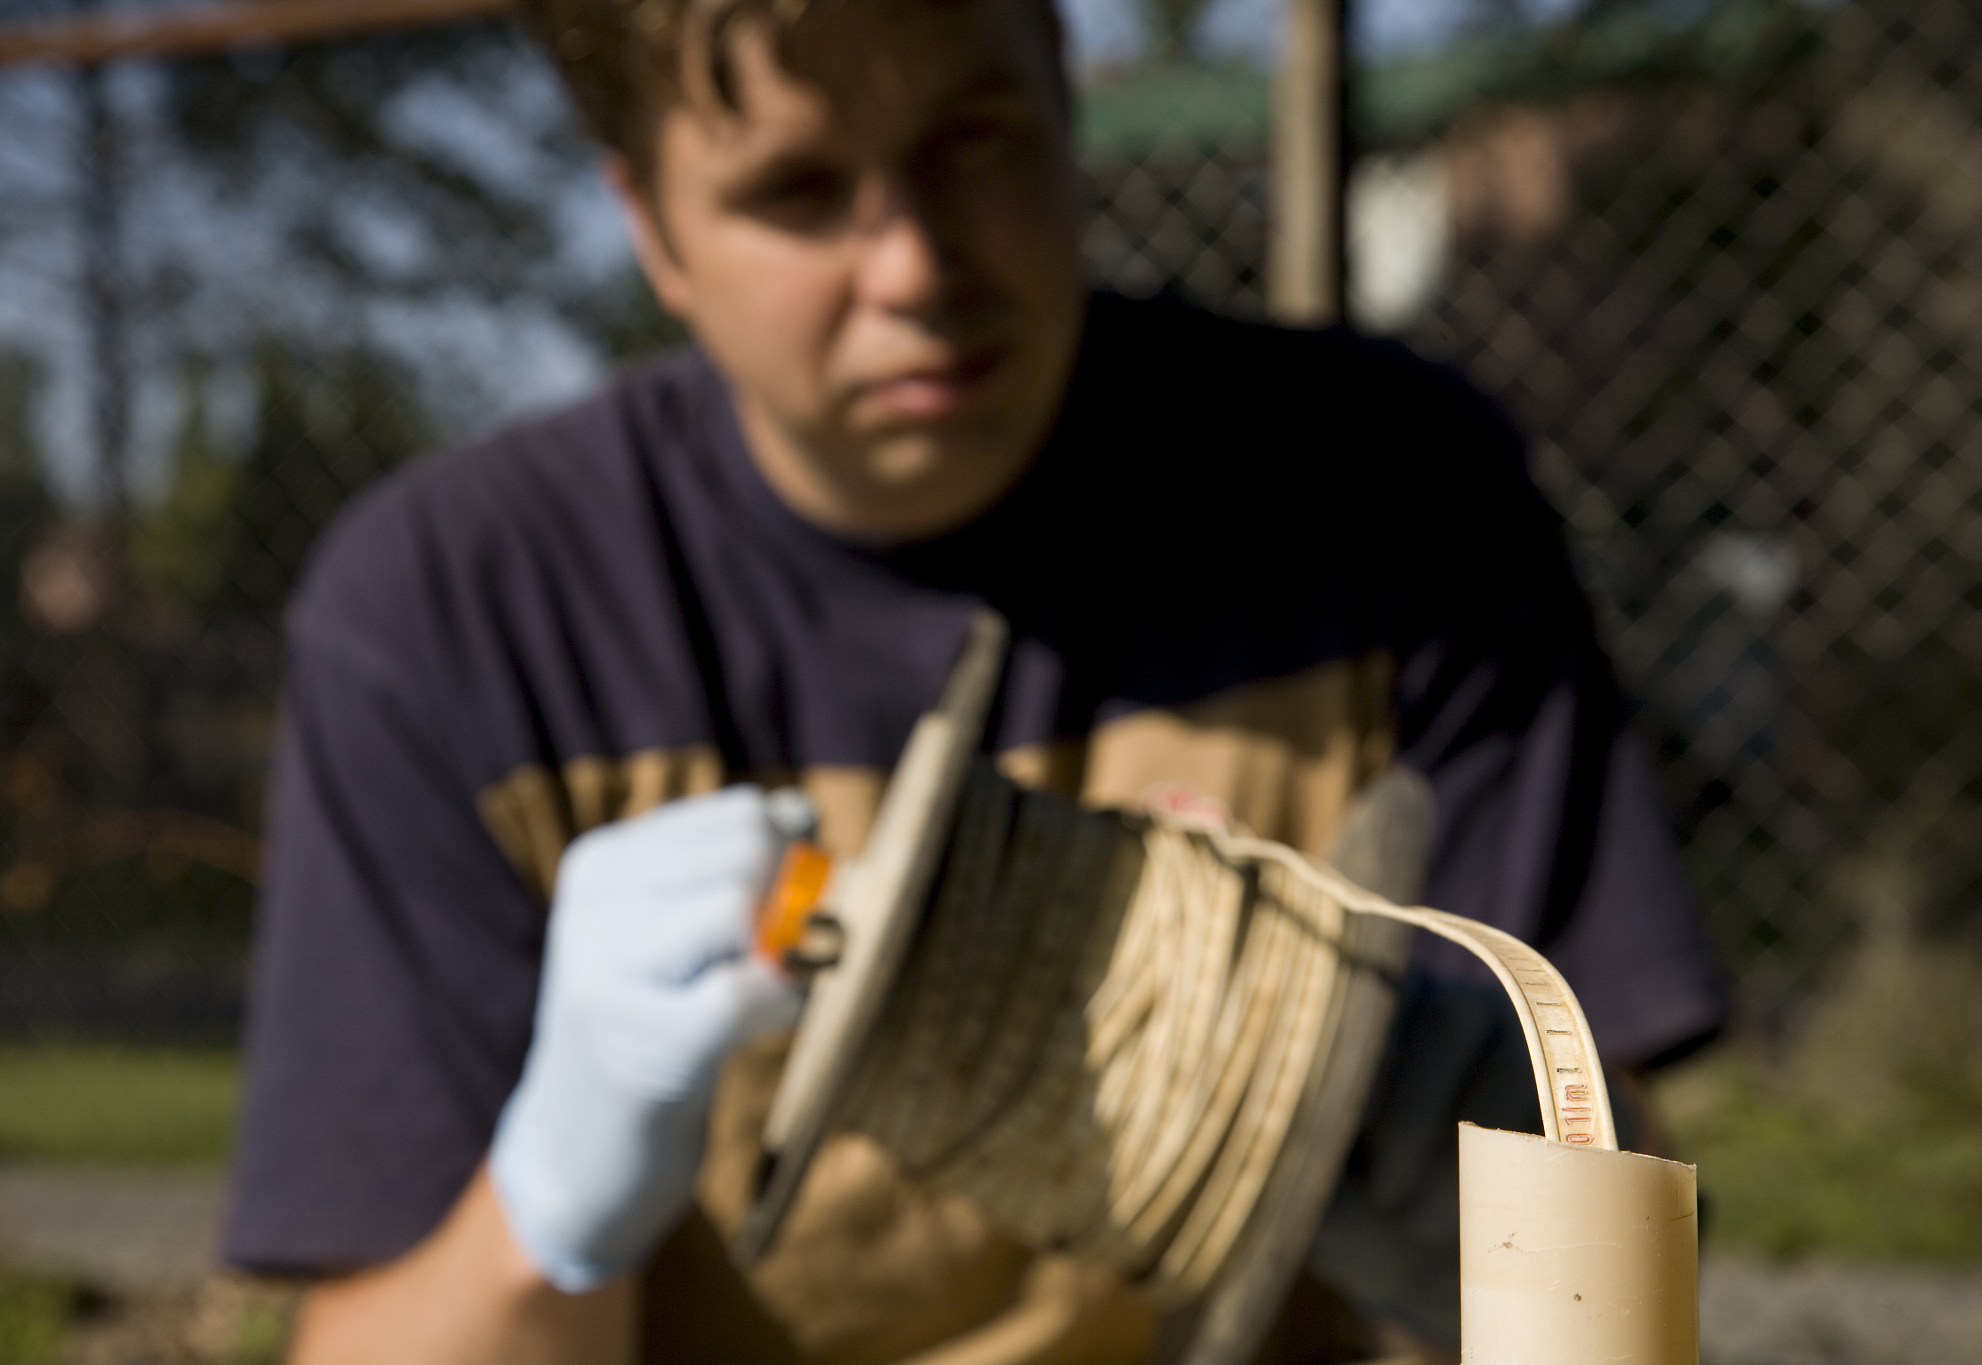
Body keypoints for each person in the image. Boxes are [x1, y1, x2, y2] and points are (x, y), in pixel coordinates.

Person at [222, 0, 1729, 1360]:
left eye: (975, 144)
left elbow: (1634, 1285)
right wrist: (543, 1219)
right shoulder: (452, 612)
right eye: (799, 192)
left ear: (1066, 101)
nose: (919, 270)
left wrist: (1513, 1232)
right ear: (653, 230)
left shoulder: (1394, 501)